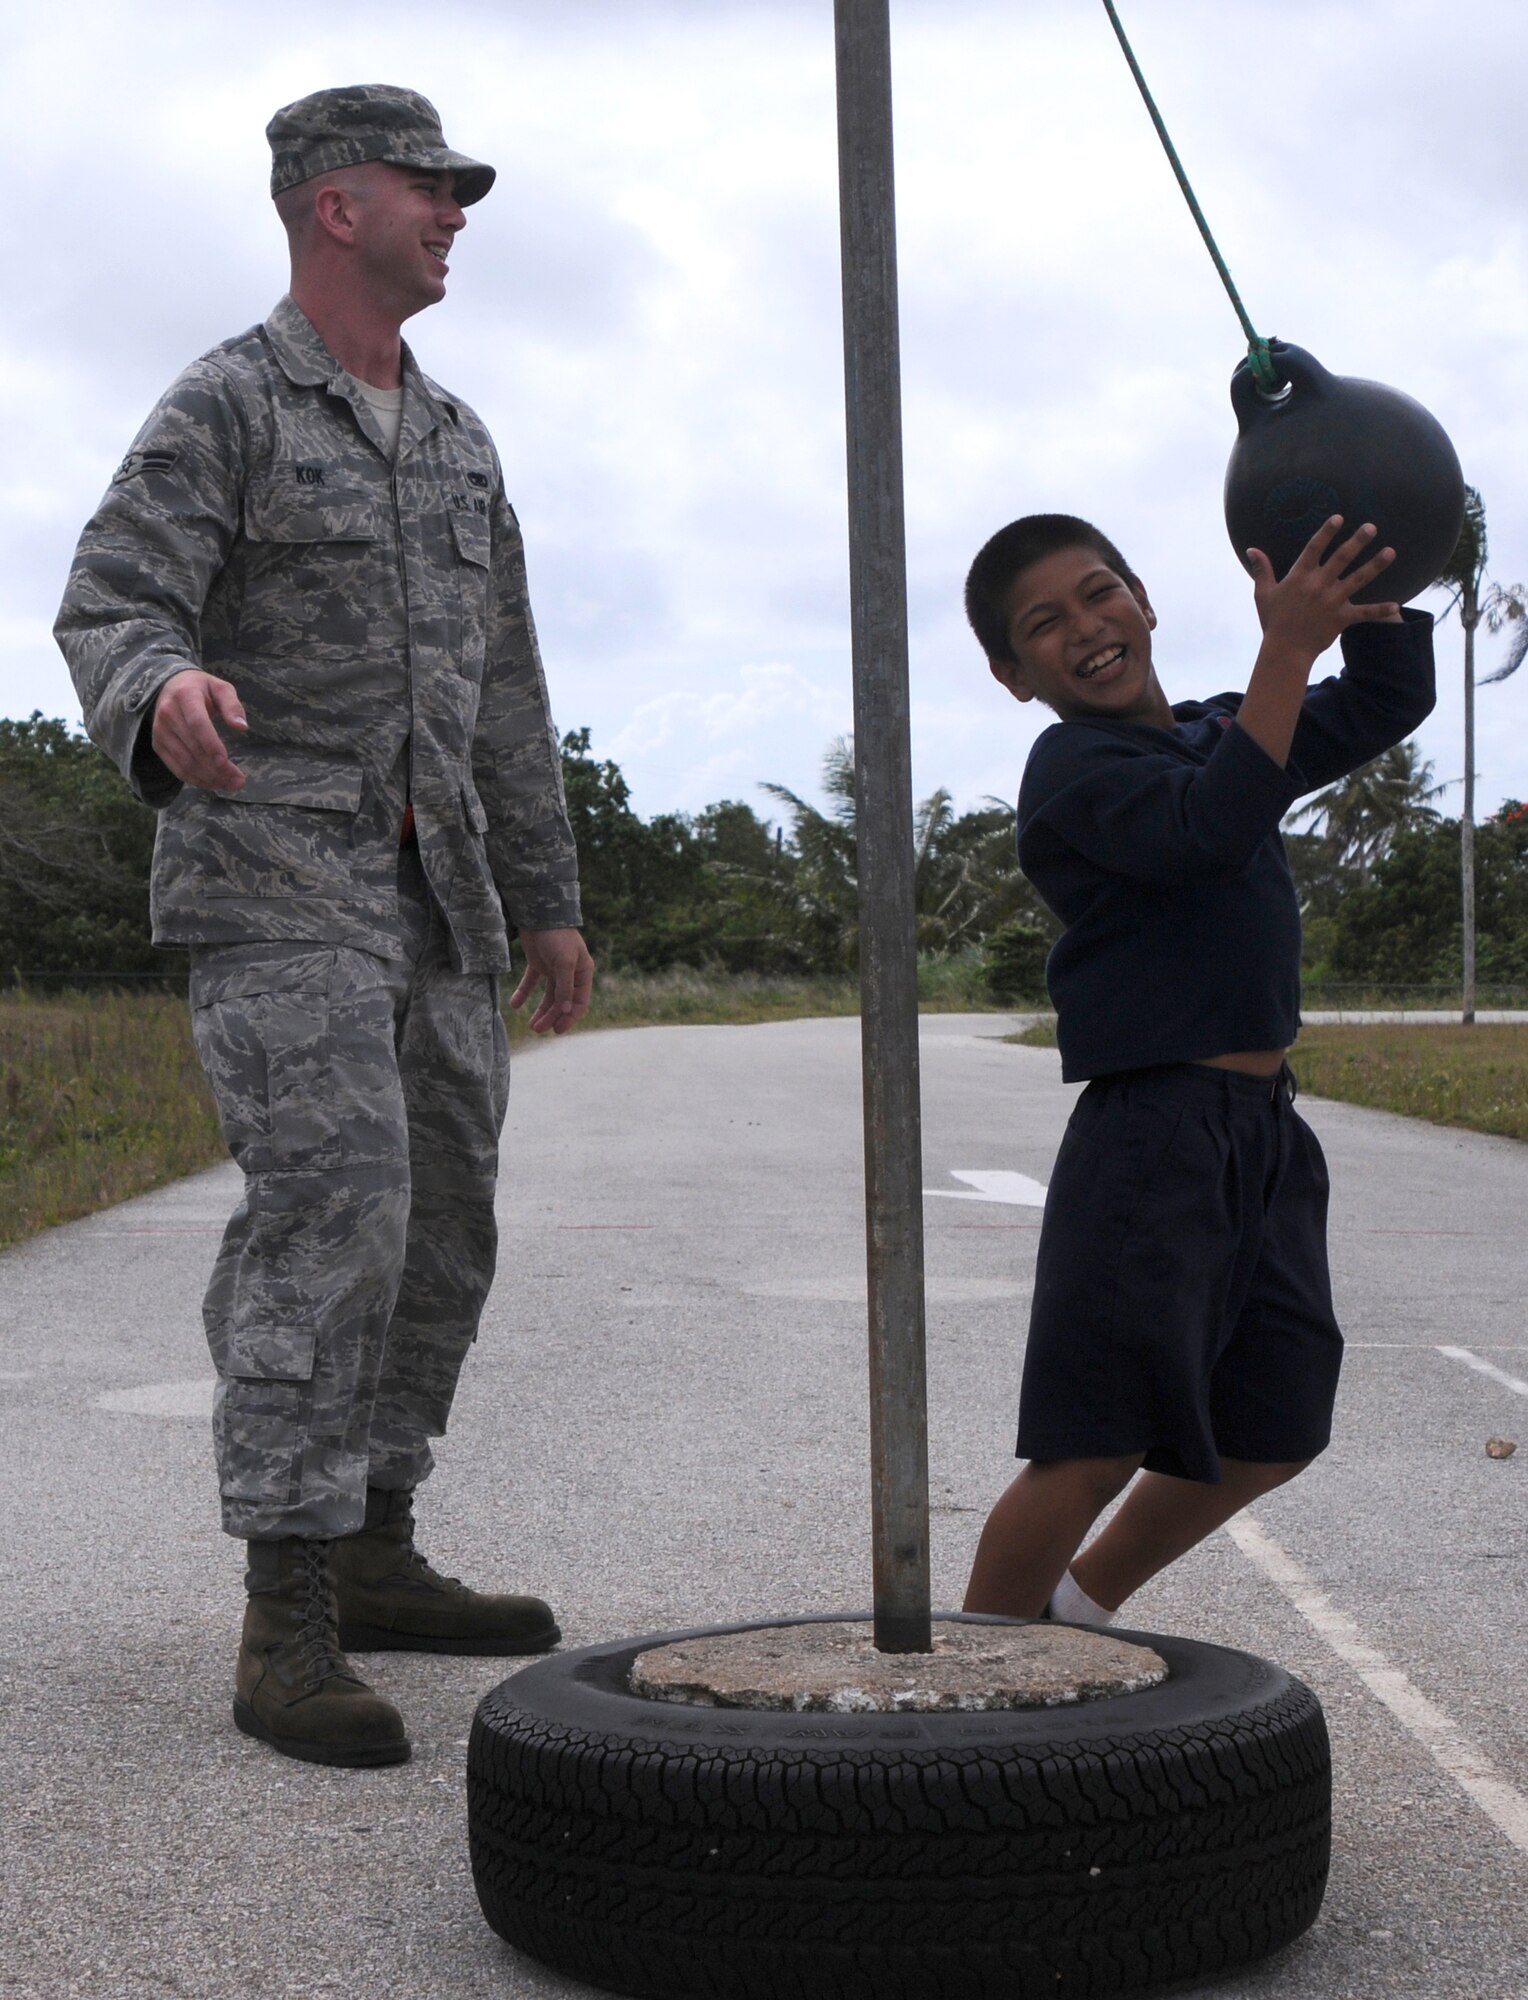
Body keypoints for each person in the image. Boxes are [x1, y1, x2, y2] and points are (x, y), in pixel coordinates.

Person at [55, 85, 594, 1769]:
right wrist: (161, 691)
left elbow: (509, 691)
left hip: (440, 909)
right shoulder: (226, 403)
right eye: (428, 190)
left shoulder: (457, 441)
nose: (455, 215)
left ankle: (372, 1536)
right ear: (331, 204)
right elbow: (111, 597)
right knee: (335, 1211)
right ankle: (283, 1602)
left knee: (442, 1227)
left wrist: (551, 900)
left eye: (458, 192)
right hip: (277, 886)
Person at [959, 510, 1435, 1627]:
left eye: (1098, 591)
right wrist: (1284, 651)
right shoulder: (1070, 766)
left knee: (1273, 1421)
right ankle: (963, 1702)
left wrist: (1372, 552)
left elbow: (1381, 701)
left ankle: (1077, 1611)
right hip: (1153, 1134)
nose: (1086, 626)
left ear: (1143, 597)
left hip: (1263, 1127)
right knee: (1093, 1443)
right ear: (1011, 672)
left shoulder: (1224, 727)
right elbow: (1207, 827)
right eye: (1044, 622)